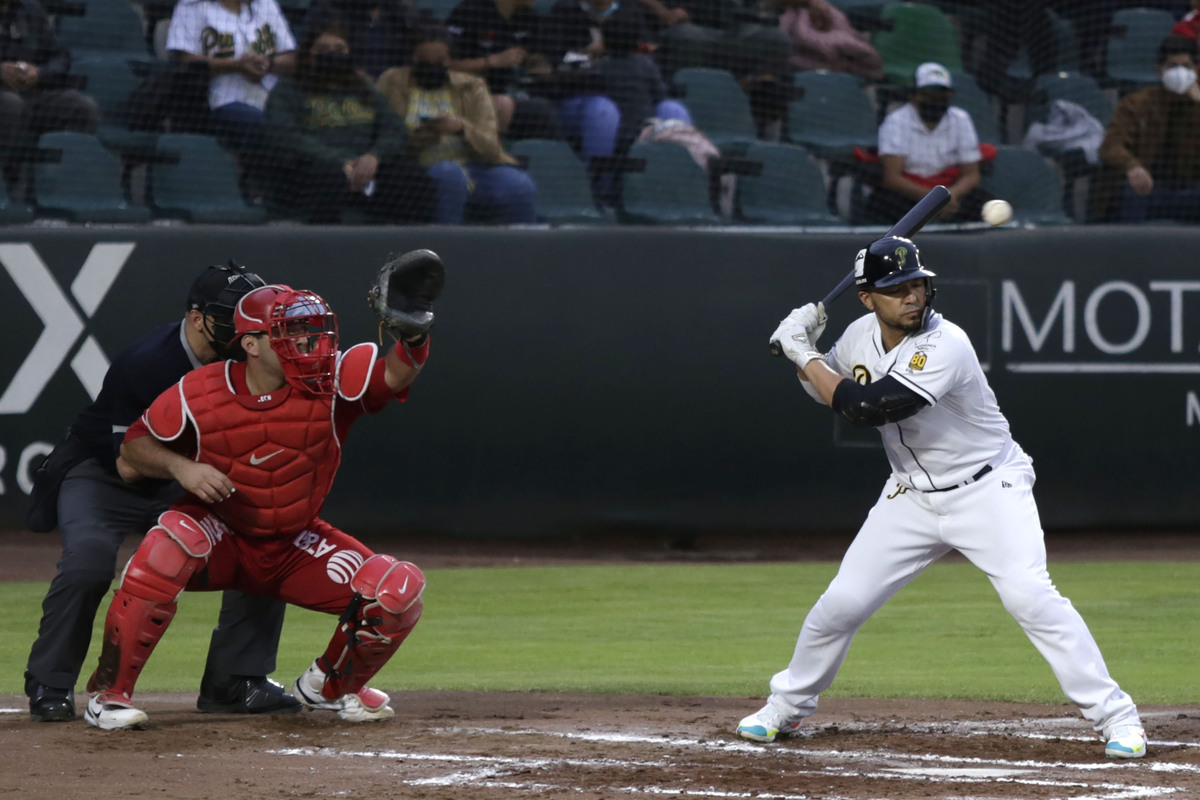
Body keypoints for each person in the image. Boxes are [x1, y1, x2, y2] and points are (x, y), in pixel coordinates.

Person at [739, 236, 1148, 760]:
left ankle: (1118, 717)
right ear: (867, 298)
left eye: (917, 284)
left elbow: (867, 407)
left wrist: (802, 351)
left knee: (1031, 597)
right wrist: (806, 352)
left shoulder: (944, 342)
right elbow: (822, 388)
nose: (912, 296)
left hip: (987, 488)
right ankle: (787, 706)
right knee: (840, 604)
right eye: (896, 289)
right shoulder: (859, 334)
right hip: (910, 495)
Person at [82, 250, 442, 730]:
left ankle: (329, 686)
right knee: (169, 544)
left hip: (293, 543)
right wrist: (182, 468)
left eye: (311, 329)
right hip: (222, 535)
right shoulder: (199, 391)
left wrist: (414, 335)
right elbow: (133, 449)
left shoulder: (331, 380)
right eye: (291, 332)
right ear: (251, 344)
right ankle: (109, 694)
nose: (309, 341)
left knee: (399, 591)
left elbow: (394, 373)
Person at [23, 262, 297, 723]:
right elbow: (128, 463)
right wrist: (184, 468)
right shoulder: (147, 362)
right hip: (106, 474)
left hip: (184, 477)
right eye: (231, 314)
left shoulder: (249, 357)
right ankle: (50, 683)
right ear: (197, 318)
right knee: (88, 561)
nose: (244, 326)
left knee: (264, 542)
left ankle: (235, 681)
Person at [263, 22, 437, 223]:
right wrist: (340, 161)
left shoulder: (364, 87)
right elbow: (285, 136)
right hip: (317, 172)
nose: (332, 54)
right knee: (327, 177)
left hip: (370, 170)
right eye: (323, 49)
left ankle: (408, 241)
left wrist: (374, 156)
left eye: (340, 49)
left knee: (412, 178)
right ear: (308, 55)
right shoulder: (287, 89)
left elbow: (394, 128)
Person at [377, 24, 538, 224]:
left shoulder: (472, 86)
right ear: (412, 58)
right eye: (424, 61)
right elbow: (377, 129)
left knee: (520, 184)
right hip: (417, 170)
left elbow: (491, 147)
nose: (432, 67)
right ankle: (448, 240)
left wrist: (461, 128)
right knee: (449, 174)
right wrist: (412, 142)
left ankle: (524, 242)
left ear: (450, 59)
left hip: (472, 167)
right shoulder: (392, 81)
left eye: (439, 61)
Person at [166, 0, 298, 195]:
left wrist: (267, 63)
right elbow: (186, 60)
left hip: (274, 98)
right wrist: (236, 65)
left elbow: (292, 58)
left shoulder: (265, 4)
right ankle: (272, 194)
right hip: (220, 100)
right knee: (260, 125)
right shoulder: (192, 6)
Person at [864, 62, 990, 225]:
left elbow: (971, 174)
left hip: (950, 192)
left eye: (943, 95)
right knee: (882, 203)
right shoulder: (896, 121)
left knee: (988, 207)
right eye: (929, 94)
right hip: (910, 193)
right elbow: (892, 177)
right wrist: (932, 200)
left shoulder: (961, 119)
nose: (936, 100)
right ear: (913, 96)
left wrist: (951, 195)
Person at [1095, 35, 1200, 223]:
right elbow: (1110, 147)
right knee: (1133, 193)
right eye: (1172, 66)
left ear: (1195, 71)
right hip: (1147, 189)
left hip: (1189, 191)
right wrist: (1132, 166)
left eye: (1186, 66)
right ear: (1159, 71)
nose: (1180, 73)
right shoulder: (1136, 104)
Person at [0, 0, 99, 196]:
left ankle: (57, 189)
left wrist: (39, 73)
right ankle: (8, 185)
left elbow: (60, 56)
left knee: (83, 107)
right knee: (12, 106)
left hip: (31, 93)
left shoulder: (30, 9)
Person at [444, 0, 563, 140]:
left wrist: (536, 62)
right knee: (540, 110)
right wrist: (492, 61)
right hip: (477, 95)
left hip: (520, 91)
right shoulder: (469, 12)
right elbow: (445, 65)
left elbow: (537, 58)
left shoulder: (528, 16)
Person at [777, 0, 881, 79]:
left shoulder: (828, 12)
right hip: (810, 69)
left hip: (837, 68)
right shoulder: (791, 16)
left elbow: (849, 41)